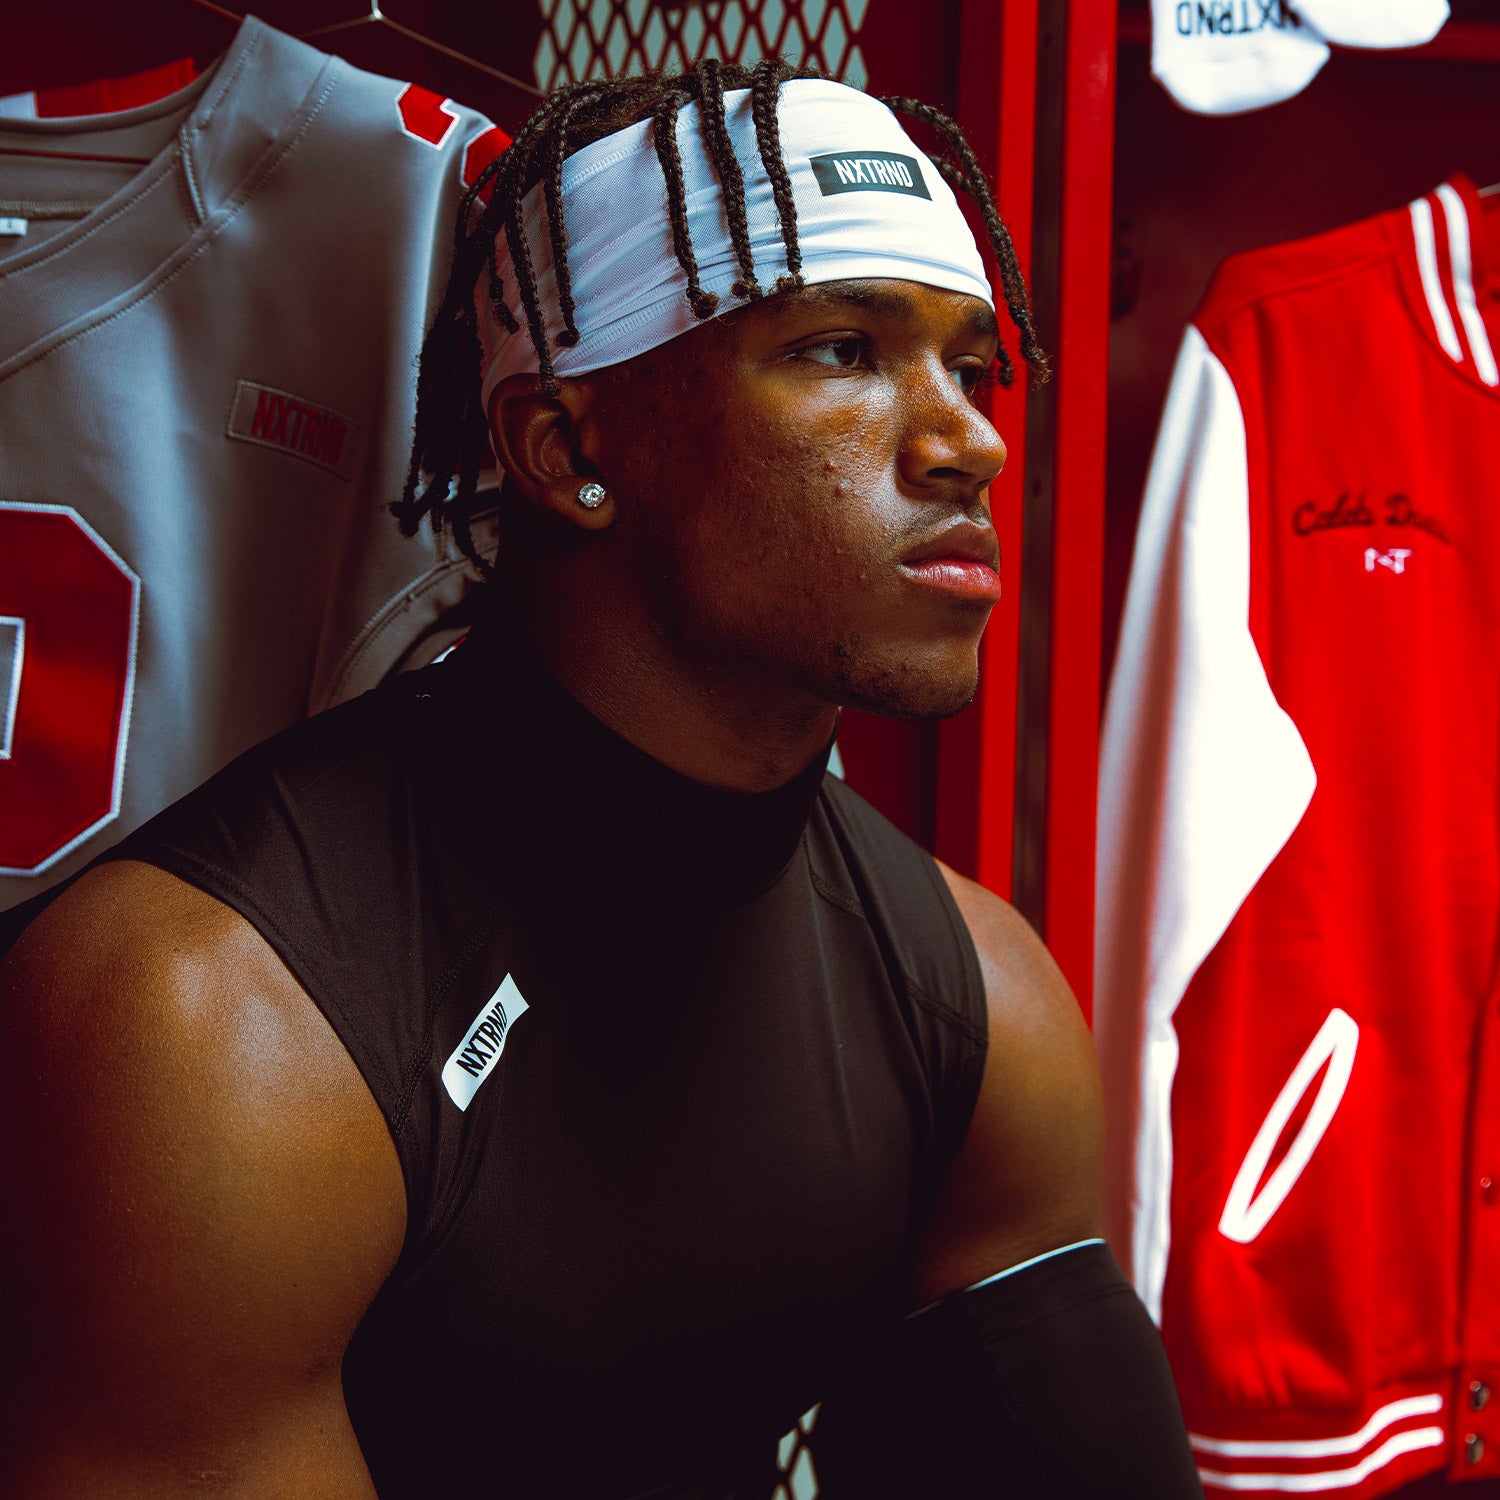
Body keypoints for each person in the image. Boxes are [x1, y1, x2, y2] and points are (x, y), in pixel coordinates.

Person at [0, 58, 1203, 1499]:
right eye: (841, 349)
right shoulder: (212, 1024)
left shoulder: (975, 997)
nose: (972, 442)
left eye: (973, 366)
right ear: (567, 446)